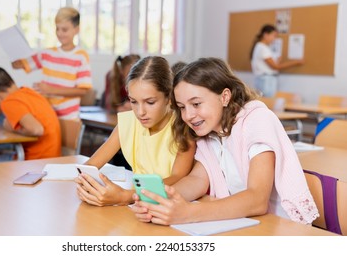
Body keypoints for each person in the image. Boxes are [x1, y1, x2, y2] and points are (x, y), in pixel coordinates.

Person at [131, 57, 319, 225]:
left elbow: (257, 199)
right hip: (244, 222)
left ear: (225, 97)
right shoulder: (209, 133)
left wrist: (189, 213)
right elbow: (197, 180)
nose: (188, 115)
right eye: (181, 107)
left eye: (196, 104)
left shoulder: (256, 120)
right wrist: (159, 202)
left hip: (280, 226)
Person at [75, 56, 196, 206]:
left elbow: (178, 177)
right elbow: (90, 166)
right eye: (133, 101)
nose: (140, 112)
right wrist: (85, 183)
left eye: (150, 102)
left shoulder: (183, 128)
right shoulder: (128, 122)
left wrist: (126, 196)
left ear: (169, 97)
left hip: (167, 204)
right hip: (137, 206)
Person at [11, 6, 92, 119]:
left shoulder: (81, 56)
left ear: (76, 30)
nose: (59, 33)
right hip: (47, 113)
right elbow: (20, 64)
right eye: (57, 29)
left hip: (69, 117)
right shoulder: (47, 53)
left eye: (64, 29)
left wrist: (50, 90)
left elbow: (82, 91)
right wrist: (15, 60)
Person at [0, 66, 61, 160]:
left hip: (36, 160)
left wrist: (12, 128)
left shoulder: (9, 101)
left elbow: (36, 130)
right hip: (54, 157)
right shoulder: (29, 92)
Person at [250, 24, 304, 97]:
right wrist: (296, 62)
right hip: (265, 80)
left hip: (267, 80)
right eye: (274, 36)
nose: (274, 39)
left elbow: (273, 65)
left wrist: (277, 60)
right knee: (268, 103)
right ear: (266, 35)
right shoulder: (262, 48)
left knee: (269, 102)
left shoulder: (264, 47)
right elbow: (275, 67)